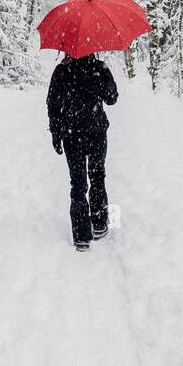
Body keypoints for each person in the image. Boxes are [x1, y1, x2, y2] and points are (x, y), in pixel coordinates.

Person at [47, 53, 118, 251]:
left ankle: (81, 235)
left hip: (72, 134)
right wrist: (104, 73)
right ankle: (98, 223)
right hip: (95, 132)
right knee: (96, 176)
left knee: (78, 183)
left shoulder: (62, 70)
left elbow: (53, 104)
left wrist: (55, 132)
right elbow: (112, 98)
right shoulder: (98, 68)